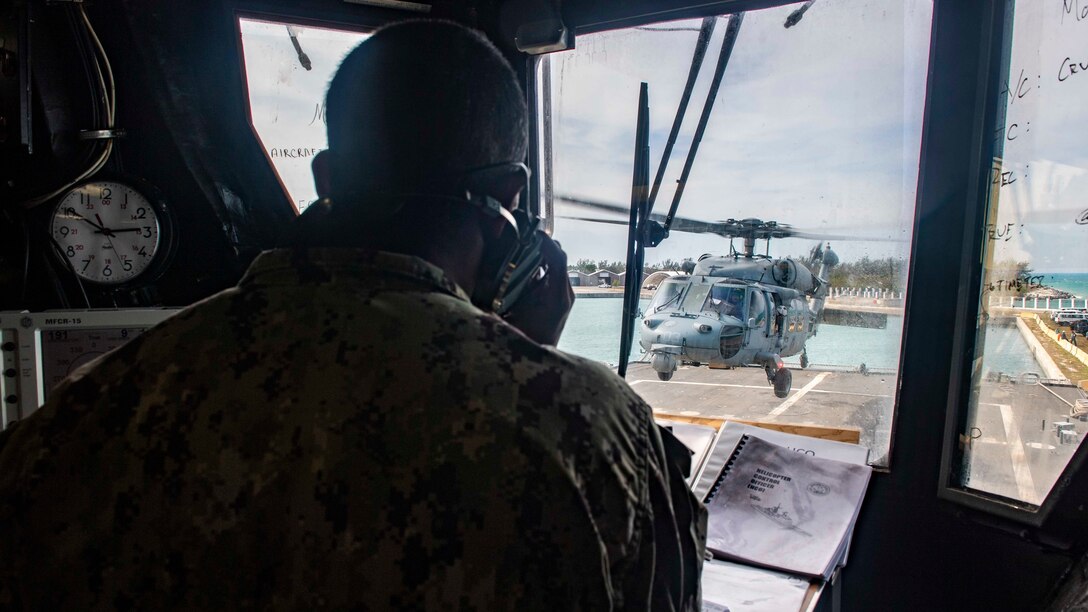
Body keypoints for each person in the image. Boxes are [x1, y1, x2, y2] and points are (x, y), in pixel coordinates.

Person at [0, 20, 705, 610]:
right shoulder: (586, 426)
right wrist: (525, 367)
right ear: (509, 198)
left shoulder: (96, 402)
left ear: (327, 181)